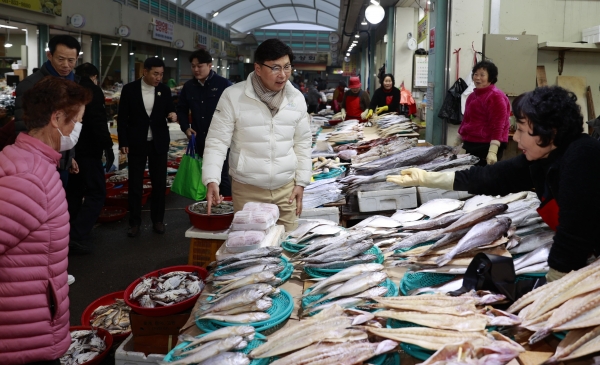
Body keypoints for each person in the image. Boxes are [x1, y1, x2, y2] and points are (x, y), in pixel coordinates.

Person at [387, 86, 600, 282]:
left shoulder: (582, 156)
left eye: (522, 130)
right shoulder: (544, 157)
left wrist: (553, 282)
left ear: (550, 131)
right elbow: (491, 177)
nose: (515, 137)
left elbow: (575, 230)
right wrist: (427, 178)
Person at [0, 77, 92, 364]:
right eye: (75, 120)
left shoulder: (31, 162)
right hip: (23, 334)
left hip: (28, 325)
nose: (77, 128)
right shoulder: (29, 179)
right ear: (56, 118)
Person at [202, 38, 312, 231]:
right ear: (258, 68)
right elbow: (217, 141)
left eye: (287, 67)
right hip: (247, 189)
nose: (283, 75)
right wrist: (212, 179)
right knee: (250, 250)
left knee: (287, 246)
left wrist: (301, 182)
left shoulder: (296, 99)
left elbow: (302, 143)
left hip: (286, 189)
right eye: (275, 68)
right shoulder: (233, 96)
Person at [117, 57, 177, 238]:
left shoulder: (164, 90)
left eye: (161, 74)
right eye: (155, 73)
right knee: (135, 183)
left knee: (159, 183)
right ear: (145, 72)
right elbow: (122, 119)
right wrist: (123, 142)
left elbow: (169, 110)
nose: (159, 77)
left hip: (158, 142)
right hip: (136, 142)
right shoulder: (130, 90)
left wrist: (172, 114)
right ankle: (134, 222)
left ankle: (158, 220)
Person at [12, 35, 83, 187]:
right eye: (60, 59)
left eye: (71, 60)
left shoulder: (73, 83)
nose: (66, 65)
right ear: (49, 55)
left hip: (61, 161)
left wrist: (68, 157)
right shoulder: (30, 85)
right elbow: (24, 128)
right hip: (38, 164)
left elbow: (67, 126)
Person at [66, 63, 114, 255]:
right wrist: (108, 147)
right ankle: (78, 234)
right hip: (89, 151)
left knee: (75, 192)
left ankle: (68, 232)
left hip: (71, 150)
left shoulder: (71, 89)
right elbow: (99, 121)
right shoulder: (93, 90)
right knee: (96, 192)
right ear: (94, 76)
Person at [176, 49, 233, 196]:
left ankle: (225, 210)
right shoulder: (189, 86)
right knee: (202, 176)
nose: (196, 69)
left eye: (199, 66)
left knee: (221, 176)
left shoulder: (223, 85)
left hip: (220, 139)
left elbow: (234, 111)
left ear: (210, 65)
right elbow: (181, 109)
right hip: (198, 139)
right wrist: (185, 128)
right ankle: (205, 209)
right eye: (193, 66)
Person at [458, 60, 510, 166]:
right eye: (476, 74)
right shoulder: (472, 96)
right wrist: (459, 139)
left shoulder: (495, 96)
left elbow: (499, 125)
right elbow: (466, 120)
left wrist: (493, 151)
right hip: (471, 143)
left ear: (491, 77)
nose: (477, 78)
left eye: (482, 75)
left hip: (487, 145)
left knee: (482, 178)